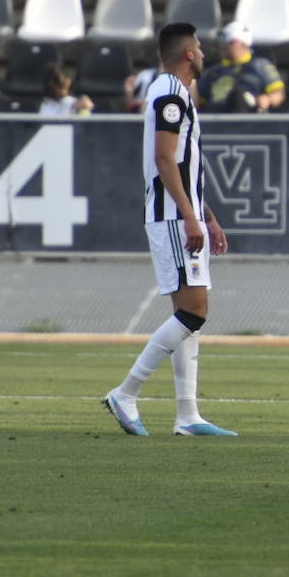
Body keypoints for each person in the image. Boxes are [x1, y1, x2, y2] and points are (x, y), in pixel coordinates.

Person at [104, 22, 235, 438]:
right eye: (197, 46)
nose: (202, 52)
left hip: (183, 213)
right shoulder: (170, 93)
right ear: (187, 54)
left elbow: (182, 164)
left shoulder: (175, 93)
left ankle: (187, 415)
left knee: (188, 313)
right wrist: (190, 216)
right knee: (194, 311)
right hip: (173, 217)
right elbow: (164, 160)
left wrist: (206, 213)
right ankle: (126, 392)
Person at [197, 21, 286, 113]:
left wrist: (268, 99)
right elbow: (198, 101)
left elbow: (278, 93)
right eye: (221, 41)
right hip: (215, 119)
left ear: (244, 43)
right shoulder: (213, 71)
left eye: (230, 42)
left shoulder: (259, 65)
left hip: (246, 118)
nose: (223, 45)